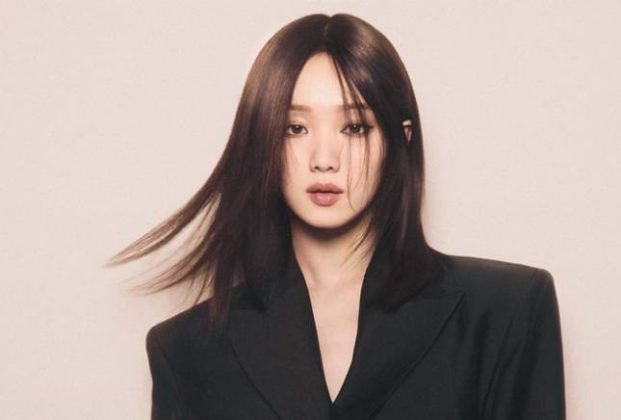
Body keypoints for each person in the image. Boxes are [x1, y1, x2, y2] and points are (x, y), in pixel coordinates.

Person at [107, 13, 565, 420]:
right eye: (295, 128)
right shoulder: (187, 351)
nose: (324, 159)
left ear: (400, 139)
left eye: (355, 127)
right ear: (263, 140)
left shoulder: (506, 312)